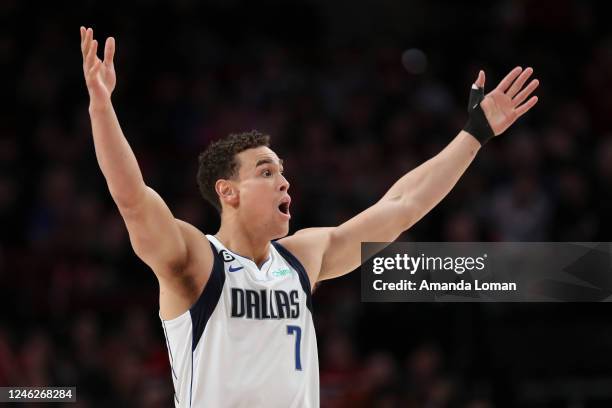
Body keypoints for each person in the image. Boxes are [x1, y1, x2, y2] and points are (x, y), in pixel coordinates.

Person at [79, 26, 538, 407]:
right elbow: (133, 199)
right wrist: (102, 108)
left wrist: (473, 135)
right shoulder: (196, 261)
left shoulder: (303, 257)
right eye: (266, 172)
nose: (284, 182)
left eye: (283, 171)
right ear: (228, 192)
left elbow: (402, 208)